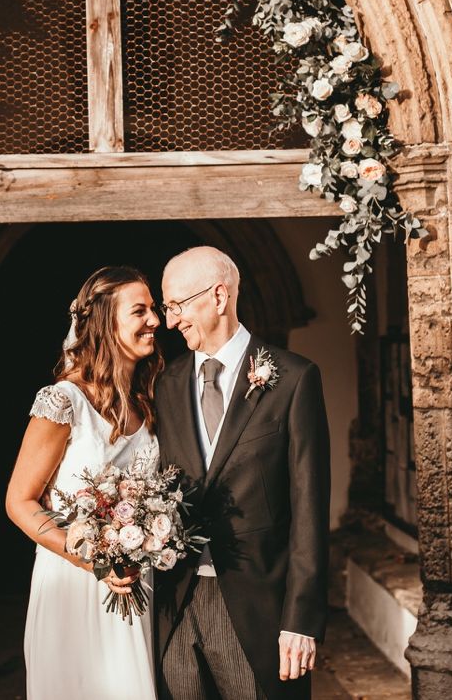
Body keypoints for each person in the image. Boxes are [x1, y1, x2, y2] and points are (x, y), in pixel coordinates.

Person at [155, 246, 330, 700]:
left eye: (177, 305)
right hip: (176, 605)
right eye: (166, 307)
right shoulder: (163, 384)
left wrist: (301, 619)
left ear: (218, 297)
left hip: (261, 608)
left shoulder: (293, 378)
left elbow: (309, 506)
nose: (170, 321)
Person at [6, 266, 162, 700]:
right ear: (105, 324)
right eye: (140, 311)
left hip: (138, 583)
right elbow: (19, 502)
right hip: (74, 587)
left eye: (154, 309)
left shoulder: (147, 402)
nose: (155, 320)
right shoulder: (62, 400)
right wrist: (93, 559)